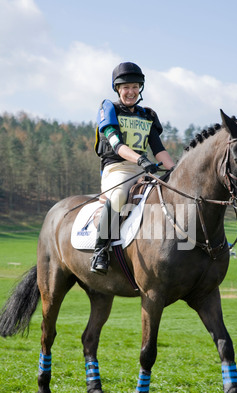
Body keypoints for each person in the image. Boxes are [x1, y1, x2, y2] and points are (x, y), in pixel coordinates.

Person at [91, 62, 175, 275]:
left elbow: (159, 151)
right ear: (118, 89)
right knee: (119, 196)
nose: (131, 92)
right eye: (126, 87)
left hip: (142, 170)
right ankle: (100, 250)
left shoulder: (147, 115)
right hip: (117, 169)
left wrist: (176, 171)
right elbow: (117, 145)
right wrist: (140, 160)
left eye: (135, 87)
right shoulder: (109, 109)